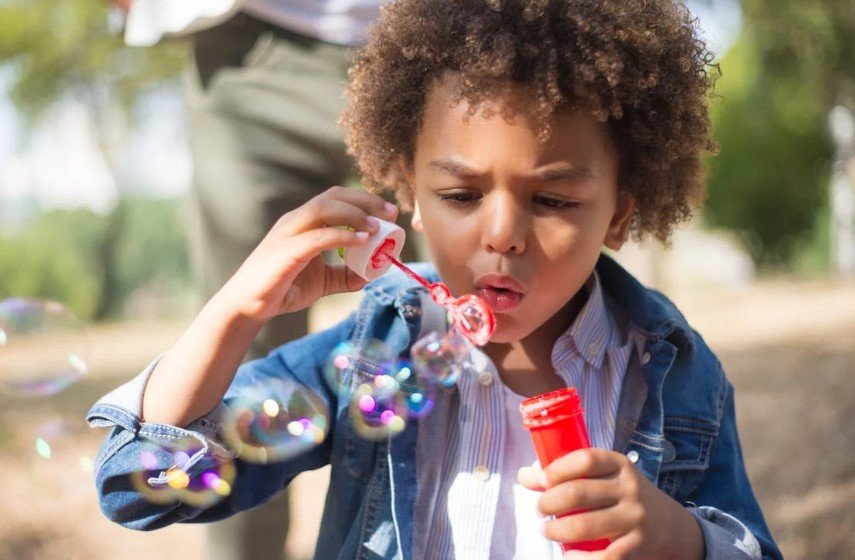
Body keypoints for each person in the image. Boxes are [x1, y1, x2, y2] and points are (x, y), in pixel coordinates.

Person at [88, 1, 783, 558]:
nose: (502, 233)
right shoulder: (370, 352)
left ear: (618, 215)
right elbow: (142, 488)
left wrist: (681, 541)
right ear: (412, 197)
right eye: (459, 195)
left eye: (552, 200)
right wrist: (237, 310)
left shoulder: (668, 368)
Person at [111, 1, 406, 558]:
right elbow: (129, 488)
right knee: (242, 378)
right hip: (250, 49)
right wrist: (236, 314)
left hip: (450, 37)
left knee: (470, 321)